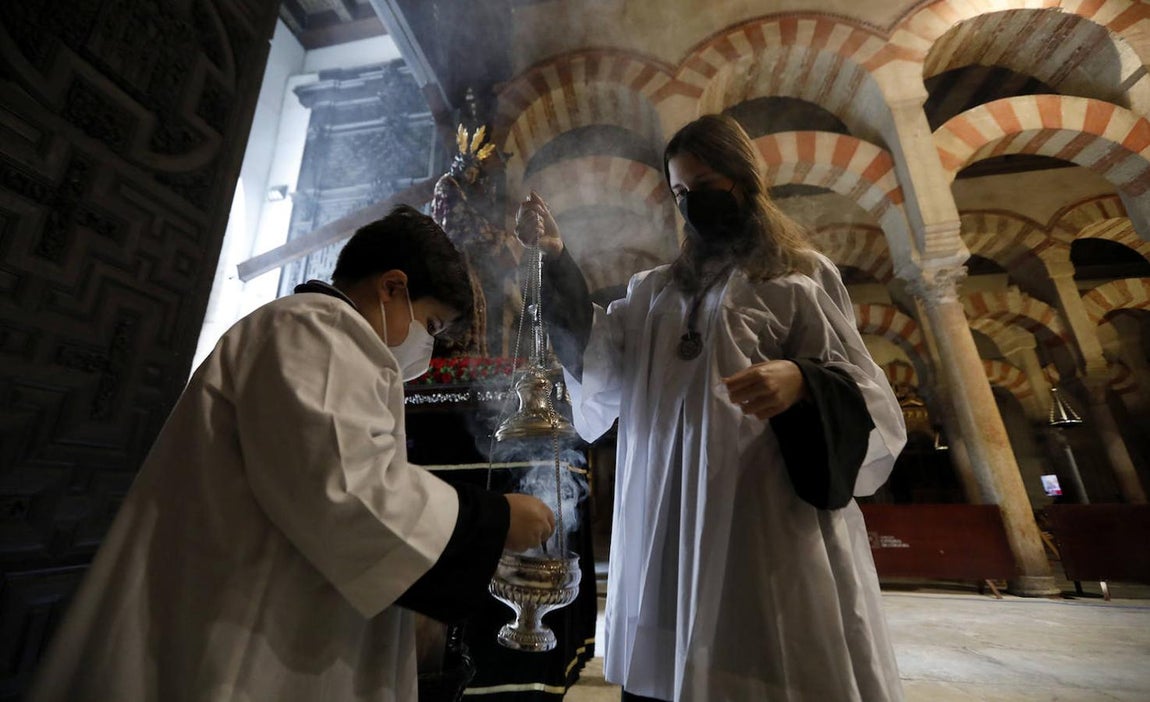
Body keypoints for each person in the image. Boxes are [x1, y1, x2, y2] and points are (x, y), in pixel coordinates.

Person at [27, 205, 556, 702]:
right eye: (431, 325)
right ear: (392, 287)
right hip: (232, 622)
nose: (428, 347)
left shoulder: (333, 341)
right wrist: (494, 520)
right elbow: (343, 486)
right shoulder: (315, 329)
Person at [515, 114, 908, 701]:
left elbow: (865, 388)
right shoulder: (653, 291)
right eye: (679, 193)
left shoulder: (799, 274)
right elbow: (599, 357)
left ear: (742, 180)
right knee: (672, 646)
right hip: (664, 507)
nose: (691, 203)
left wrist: (803, 380)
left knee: (764, 643)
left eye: (704, 186)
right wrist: (555, 259)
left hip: (761, 508)